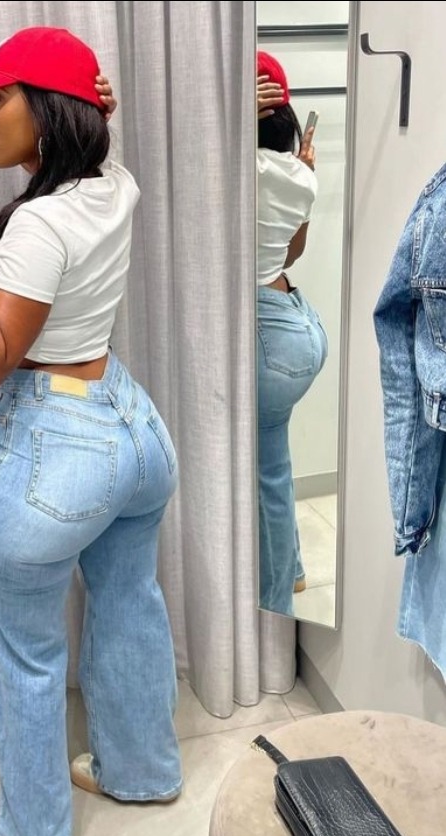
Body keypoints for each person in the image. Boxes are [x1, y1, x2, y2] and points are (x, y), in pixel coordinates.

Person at [0, 26, 182, 836]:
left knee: (27, 656)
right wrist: (95, 112)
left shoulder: (35, 227)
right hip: (134, 434)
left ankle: (32, 829)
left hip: (55, 454)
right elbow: (95, 149)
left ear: (51, 109)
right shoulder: (115, 185)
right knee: (129, 601)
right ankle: (142, 771)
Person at [255, 51, 328, 614]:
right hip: (296, 320)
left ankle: (274, 606)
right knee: (274, 465)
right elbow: (290, 254)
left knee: (266, 478)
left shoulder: (242, 171)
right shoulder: (300, 175)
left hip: (267, 336)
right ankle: (295, 571)